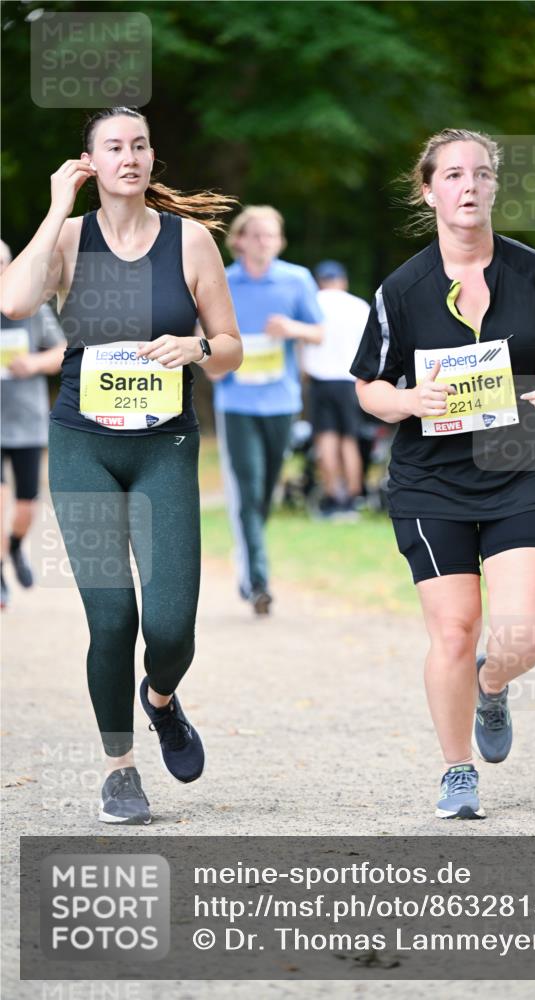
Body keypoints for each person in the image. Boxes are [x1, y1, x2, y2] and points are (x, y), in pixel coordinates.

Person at [0, 107, 242, 824]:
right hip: (84, 446)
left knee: (170, 629)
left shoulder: (188, 241)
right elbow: (12, 302)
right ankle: (120, 770)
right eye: (114, 147)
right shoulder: (68, 240)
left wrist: (197, 349)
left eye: (139, 145)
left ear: (150, 157)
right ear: (91, 162)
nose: (129, 156)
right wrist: (54, 205)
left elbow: (230, 345)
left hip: (165, 446)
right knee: (111, 620)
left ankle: (160, 698)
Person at [351, 129, 535, 820]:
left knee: (521, 637)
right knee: (452, 628)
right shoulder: (402, 288)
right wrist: (408, 401)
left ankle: (491, 684)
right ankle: (457, 772)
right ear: (429, 190)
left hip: (518, 467)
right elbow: (367, 385)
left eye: (480, 174)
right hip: (431, 480)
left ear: (493, 186)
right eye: (453, 175)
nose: (469, 186)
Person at [211, 206, 323, 615]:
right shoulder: (222, 280)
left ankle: (247, 558)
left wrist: (292, 330)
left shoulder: (296, 280)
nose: (264, 242)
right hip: (235, 401)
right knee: (248, 486)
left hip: (281, 401)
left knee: (265, 492)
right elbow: (199, 332)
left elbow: (319, 331)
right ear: (238, 240)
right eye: (256, 235)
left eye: (272, 235)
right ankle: (258, 580)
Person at [1, 239, 66, 609]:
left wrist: (34, 365)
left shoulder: (31, 308)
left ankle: (13, 547)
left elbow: (62, 351)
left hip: (27, 420)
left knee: (26, 506)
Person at [303, 260, 369, 519]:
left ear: (320, 281)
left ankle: (332, 497)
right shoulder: (358, 306)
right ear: (343, 280)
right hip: (349, 380)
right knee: (349, 440)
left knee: (326, 440)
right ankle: (352, 499)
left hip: (320, 380)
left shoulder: (313, 303)